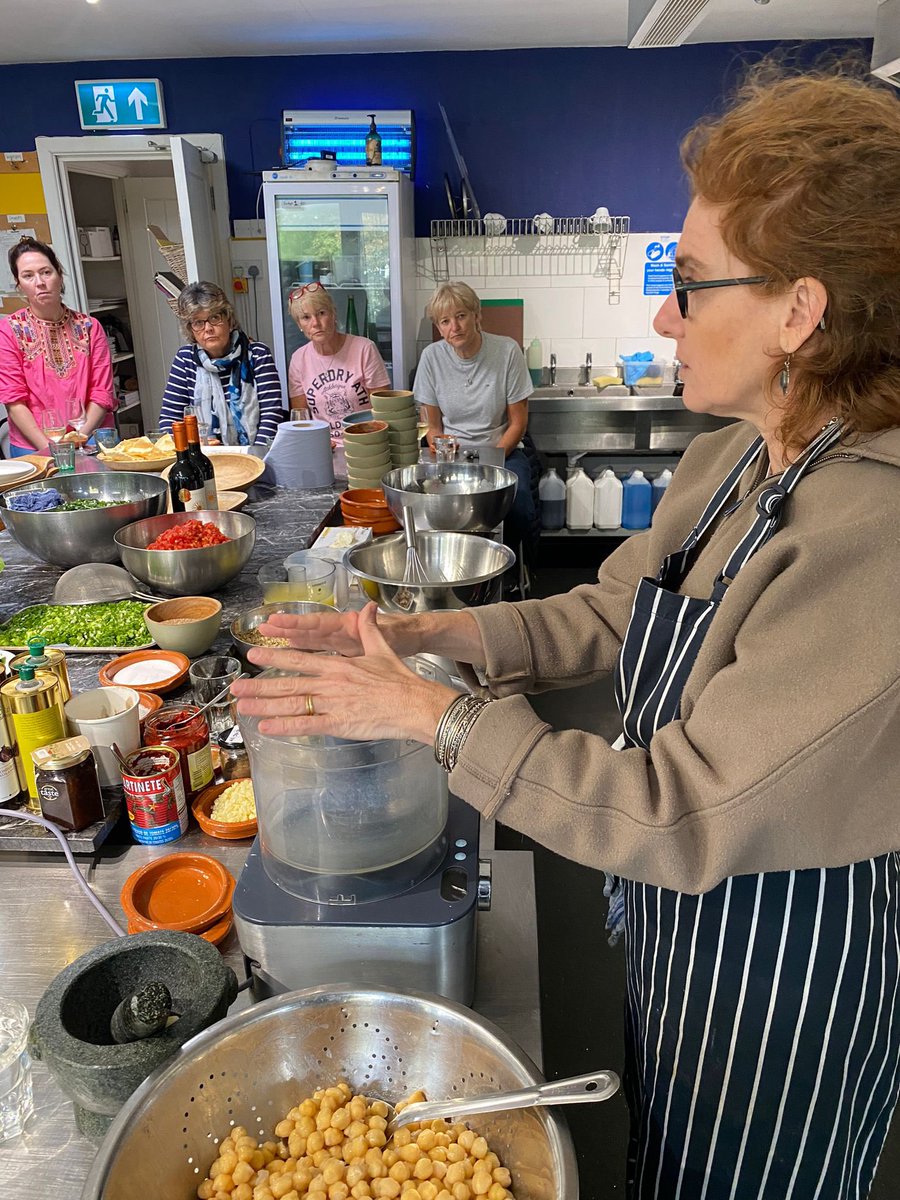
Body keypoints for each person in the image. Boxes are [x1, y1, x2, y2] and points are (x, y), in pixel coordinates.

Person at [235, 65, 900, 1198]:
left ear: (800, 311)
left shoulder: (872, 538)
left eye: (688, 285)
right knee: (663, 1143)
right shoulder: (734, 458)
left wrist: (439, 722)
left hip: (781, 969)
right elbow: (611, 610)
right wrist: (430, 637)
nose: (662, 315)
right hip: (677, 924)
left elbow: (684, 808)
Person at [413, 282, 539, 586]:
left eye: (461, 316)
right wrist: (442, 446)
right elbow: (433, 427)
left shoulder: (506, 351)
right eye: (445, 321)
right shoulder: (431, 358)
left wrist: (490, 462)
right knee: (435, 508)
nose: (454, 327)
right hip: (452, 456)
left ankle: (510, 572)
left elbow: (518, 423)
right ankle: (454, 573)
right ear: (438, 327)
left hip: (503, 450)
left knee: (518, 505)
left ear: (476, 315)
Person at [0, 236, 115, 456]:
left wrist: (78, 440)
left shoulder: (90, 327)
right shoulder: (8, 330)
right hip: (33, 444)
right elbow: (14, 401)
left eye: (46, 272)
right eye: (28, 275)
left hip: (90, 436)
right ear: (19, 284)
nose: (39, 282)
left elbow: (102, 393)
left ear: (59, 275)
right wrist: (52, 450)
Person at [159, 282, 283, 445]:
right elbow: (169, 420)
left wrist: (254, 454)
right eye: (198, 322)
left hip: (253, 454)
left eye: (214, 318)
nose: (208, 328)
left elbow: (272, 416)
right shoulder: (185, 359)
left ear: (229, 320)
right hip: (201, 453)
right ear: (190, 330)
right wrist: (195, 445)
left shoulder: (258, 354)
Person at [287, 282, 390, 445]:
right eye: (306, 317)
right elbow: (301, 420)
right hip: (322, 447)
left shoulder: (364, 349)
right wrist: (319, 443)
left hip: (365, 444)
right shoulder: (298, 360)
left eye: (321, 313)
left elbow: (384, 410)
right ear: (300, 325)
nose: (315, 323)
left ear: (333, 314)